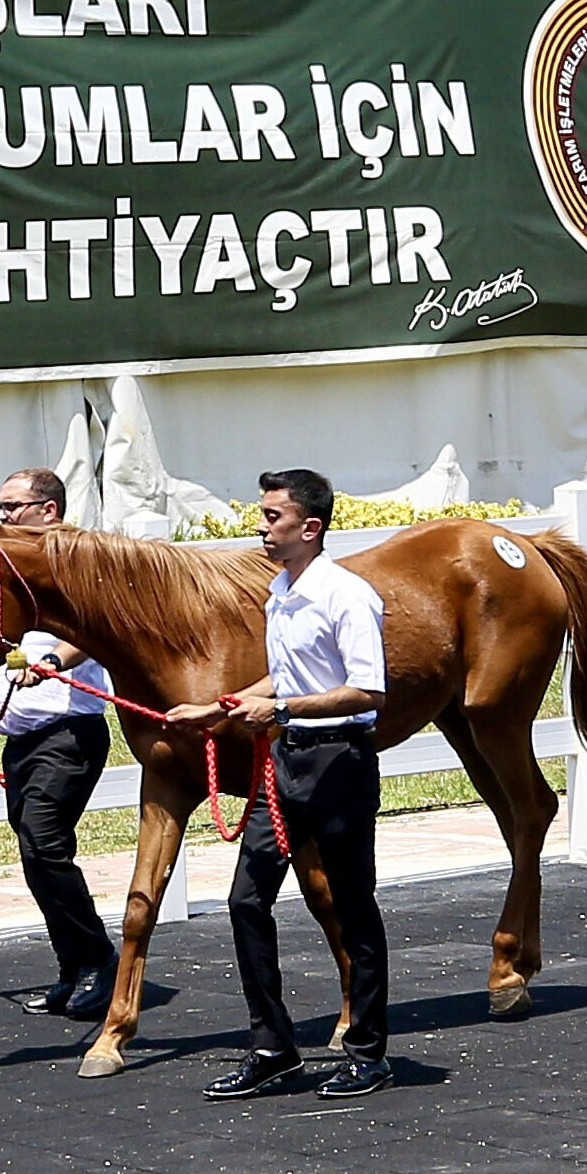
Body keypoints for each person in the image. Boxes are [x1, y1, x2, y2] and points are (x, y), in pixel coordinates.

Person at [168, 469, 396, 1102]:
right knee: (246, 901)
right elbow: (286, 675)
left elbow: (369, 689)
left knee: (353, 909)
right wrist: (219, 708)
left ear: (310, 527)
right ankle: (273, 1049)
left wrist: (285, 712)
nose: (262, 526)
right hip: (286, 763)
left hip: (339, 763)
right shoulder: (281, 589)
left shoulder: (346, 595)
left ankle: (368, 1054)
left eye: (273, 516)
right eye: (263, 515)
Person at [0, 469, 117, 1020]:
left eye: (12, 507)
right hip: (22, 739)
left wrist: (51, 664)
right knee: (34, 854)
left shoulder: (78, 564)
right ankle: (74, 966)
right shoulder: (13, 574)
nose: (3, 518)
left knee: (44, 843)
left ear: (49, 510)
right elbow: (1, 657)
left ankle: (99, 962)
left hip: (69, 732)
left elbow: (88, 631)